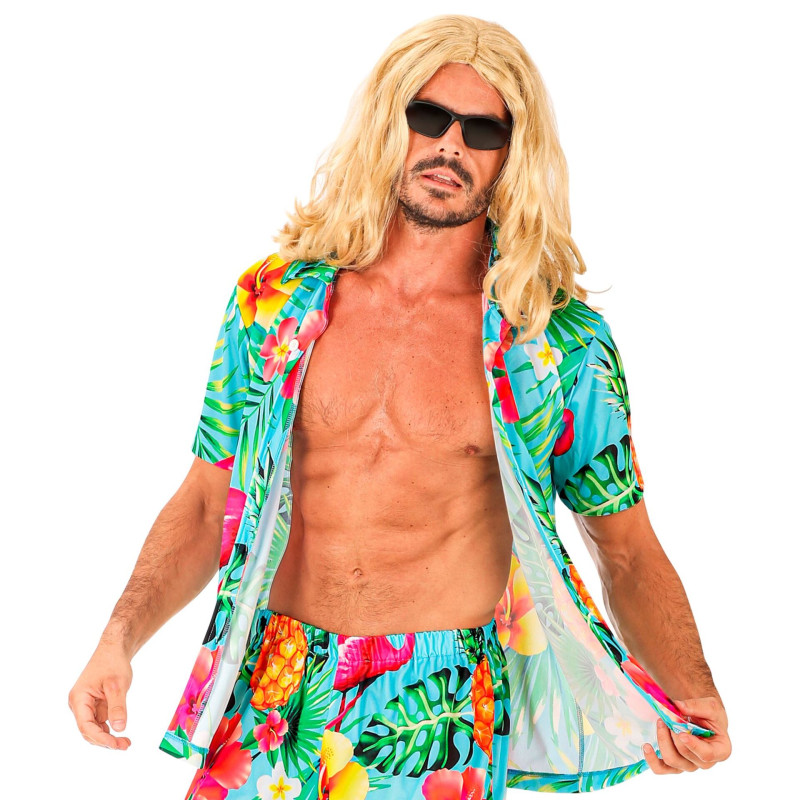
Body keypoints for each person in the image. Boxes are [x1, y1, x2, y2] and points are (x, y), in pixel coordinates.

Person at [68, 14, 731, 798]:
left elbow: (625, 548)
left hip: (435, 705)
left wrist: (693, 690)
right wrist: (118, 639)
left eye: (482, 130)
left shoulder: (555, 344)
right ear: (389, 120)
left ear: (513, 156)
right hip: (274, 687)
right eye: (429, 116)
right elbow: (210, 500)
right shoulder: (273, 302)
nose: (450, 145)